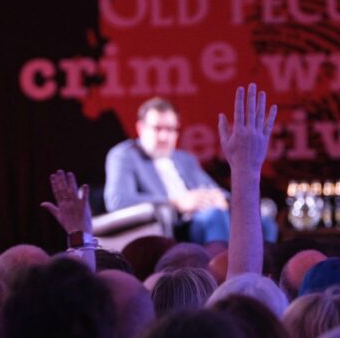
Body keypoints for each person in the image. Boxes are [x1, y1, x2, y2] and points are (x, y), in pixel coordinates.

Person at [104, 97, 277, 244]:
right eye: (157, 129)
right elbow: (118, 200)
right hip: (175, 225)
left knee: (263, 222)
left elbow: (213, 190)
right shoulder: (124, 156)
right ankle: (223, 278)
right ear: (140, 128)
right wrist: (177, 203)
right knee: (214, 217)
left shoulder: (184, 159)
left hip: (208, 215)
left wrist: (223, 200)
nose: (164, 136)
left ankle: (261, 276)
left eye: (171, 129)